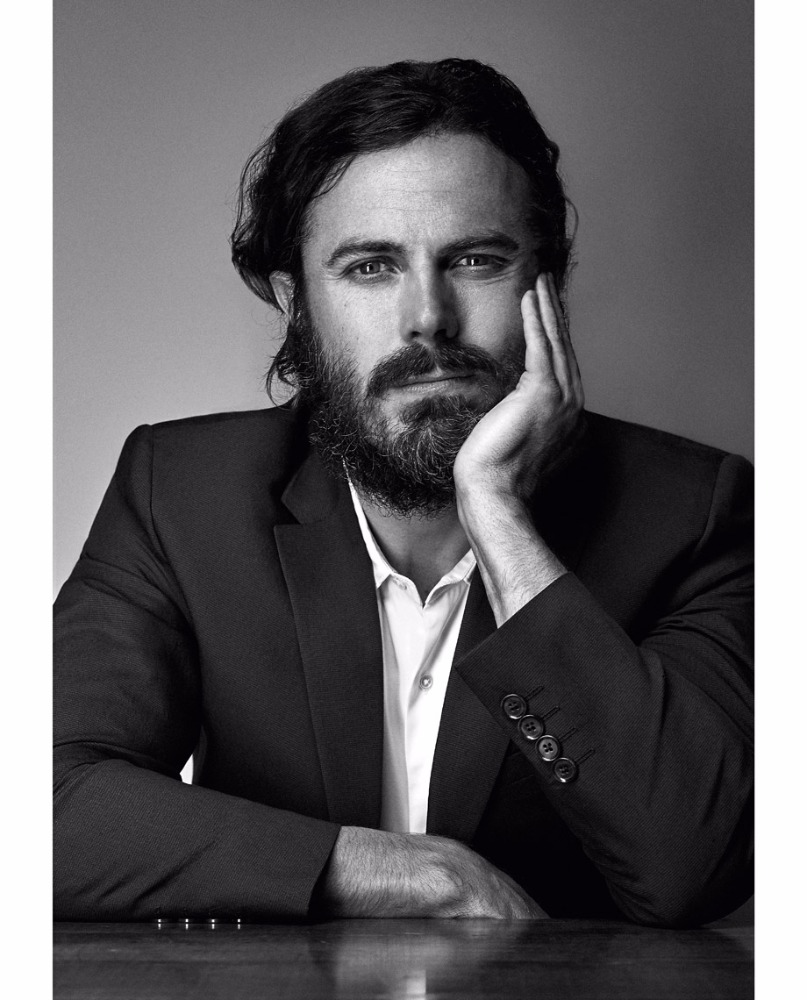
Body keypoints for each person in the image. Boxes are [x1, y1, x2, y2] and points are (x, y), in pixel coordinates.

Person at [54, 58, 753, 926]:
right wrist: (394, 870)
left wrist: (496, 514)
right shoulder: (182, 493)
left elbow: (692, 864)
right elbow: (43, 803)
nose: (428, 317)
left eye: (475, 259)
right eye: (370, 267)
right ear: (295, 303)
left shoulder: (693, 513)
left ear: (548, 286)